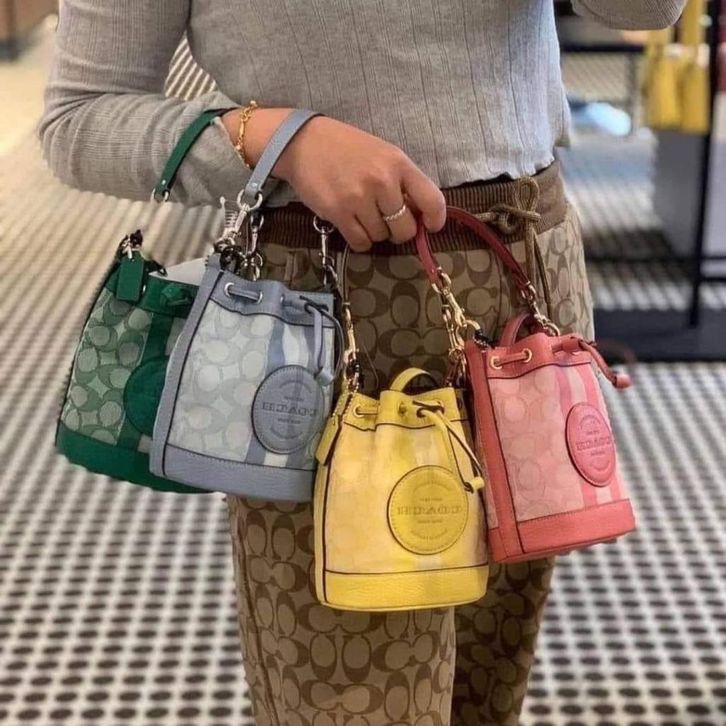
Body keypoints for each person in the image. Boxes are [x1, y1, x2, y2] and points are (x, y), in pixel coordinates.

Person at [40, 2, 685, 724]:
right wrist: (279, 140)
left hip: (524, 275)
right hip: (327, 312)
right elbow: (79, 119)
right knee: (353, 694)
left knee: (489, 678)